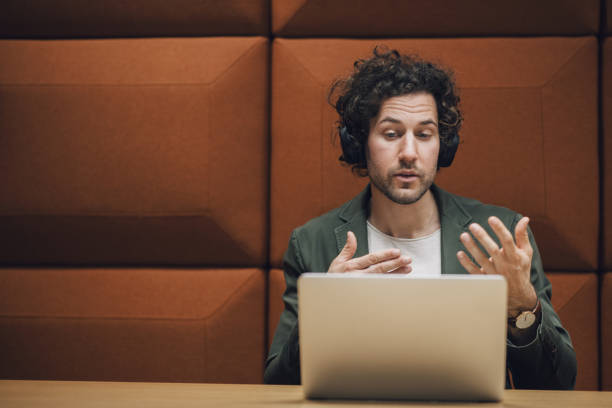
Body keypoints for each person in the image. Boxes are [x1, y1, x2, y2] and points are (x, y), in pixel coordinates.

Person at [264, 47, 577, 389]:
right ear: (359, 143)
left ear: (444, 144)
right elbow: (278, 385)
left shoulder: (501, 240)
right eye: (391, 133)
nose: (410, 153)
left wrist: (522, 309)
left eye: (424, 134)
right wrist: (323, 313)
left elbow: (556, 385)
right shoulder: (312, 242)